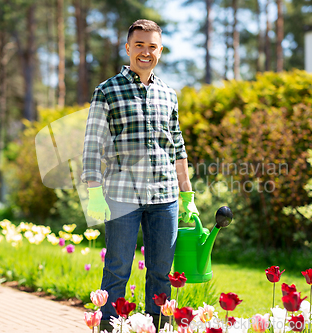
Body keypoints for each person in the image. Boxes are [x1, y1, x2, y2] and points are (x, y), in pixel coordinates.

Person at [81, 19, 199, 332]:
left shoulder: (168, 94)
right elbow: (92, 146)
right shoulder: (106, 91)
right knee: (118, 269)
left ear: (160, 51)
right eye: (139, 45)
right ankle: (110, 327)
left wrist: (187, 195)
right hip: (121, 197)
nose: (145, 52)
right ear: (128, 48)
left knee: (161, 272)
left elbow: (178, 147)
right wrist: (94, 193)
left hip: (165, 199)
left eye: (152, 47)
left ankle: (157, 327)